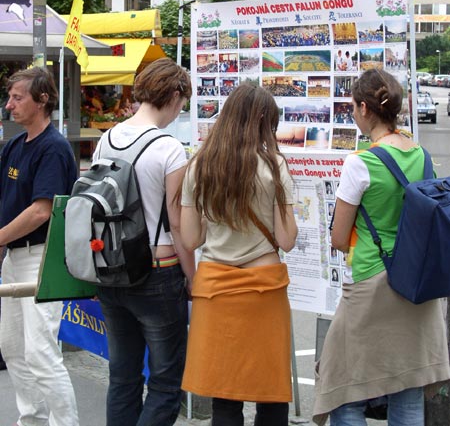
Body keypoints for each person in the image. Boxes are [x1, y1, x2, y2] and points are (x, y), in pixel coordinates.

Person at [313, 69, 450, 426]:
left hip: (370, 282)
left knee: (345, 392)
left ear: (364, 108)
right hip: (415, 282)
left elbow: (339, 238)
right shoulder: (421, 156)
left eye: (353, 107)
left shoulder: (361, 163)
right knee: (407, 390)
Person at [180, 84, 298, 426]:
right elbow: (286, 240)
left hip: (216, 288)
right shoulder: (274, 165)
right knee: (271, 392)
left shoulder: (200, 165)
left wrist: (214, 217)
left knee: (224, 396)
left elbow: (190, 239)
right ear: (261, 119)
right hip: (264, 288)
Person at [94, 58, 195, 426]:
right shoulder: (168, 148)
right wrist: (193, 276)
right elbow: (177, 223)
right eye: (183, 102)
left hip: (112, 269)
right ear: (174, 95)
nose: (180, 110)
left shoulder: (106, 139)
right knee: (166, 382)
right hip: (158, 270)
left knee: (123, 376)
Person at [0, 66, 79, 425]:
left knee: (41, 354)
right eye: (10, 97)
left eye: (17, 98)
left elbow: (41, 211)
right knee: (13, 348)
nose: (9, 105)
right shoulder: (15, 146)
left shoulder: (54, 148)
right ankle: (31, 420)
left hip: (42, 259)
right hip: (15, 257)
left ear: (43, 99)